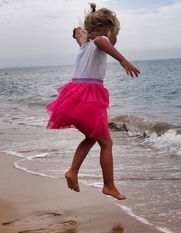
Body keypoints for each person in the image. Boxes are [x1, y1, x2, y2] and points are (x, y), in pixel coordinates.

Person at [46, 3, 140, 200]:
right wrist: (123, 60)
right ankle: (109, 185)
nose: (115, 39)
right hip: (89, 96)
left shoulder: (84, 44)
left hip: (76, 95)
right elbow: (102, 41)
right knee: (106, 143)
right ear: (108, 29)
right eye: (115, 33)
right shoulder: (99, 40)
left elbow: (85, 37)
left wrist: (80, 33)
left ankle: (73, 172)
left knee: (91, 137)